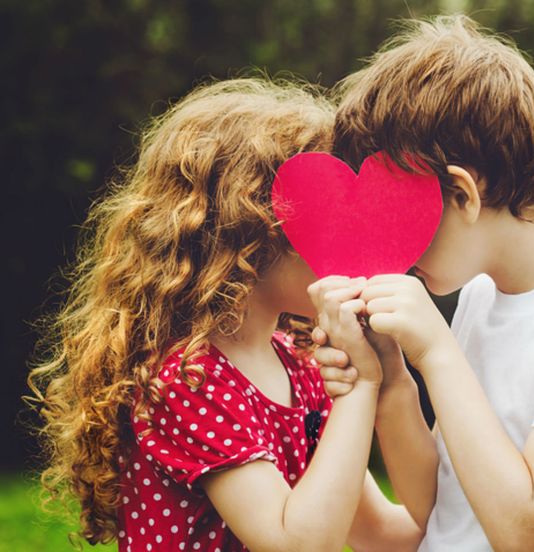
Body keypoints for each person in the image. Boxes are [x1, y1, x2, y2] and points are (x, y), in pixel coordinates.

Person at [313, 15, 534, 551]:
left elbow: (528, 532)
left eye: (399, 219)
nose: (394, 254)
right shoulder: (480, 296)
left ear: (462, 194)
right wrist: (390, 382)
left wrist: (437, 353)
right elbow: (440, 501)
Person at [27, 78, 421, 552]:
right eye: (324, 215)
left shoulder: (302, 367)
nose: (347, 240)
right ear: (252, 233)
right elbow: (294, 544)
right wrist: (361, 389)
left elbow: (384, 536)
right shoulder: (186, 379)